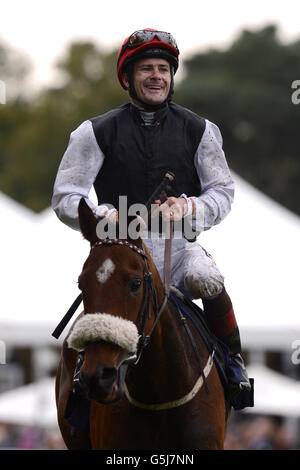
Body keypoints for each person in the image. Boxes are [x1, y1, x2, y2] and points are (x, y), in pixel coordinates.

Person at [52, 28, 250, 395]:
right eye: (146, 69)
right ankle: (79, 396)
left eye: (163, 68)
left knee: (208, 278)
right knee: (84, 334)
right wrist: (104, 217)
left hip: (178, 248)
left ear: (172, 76)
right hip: (118, 251)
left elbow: (223, 193)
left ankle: (233, 362)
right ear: (128, 77)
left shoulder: (201, 130)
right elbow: (66, 197)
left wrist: (189, 206)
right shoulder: (92, 132)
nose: (156, 76)